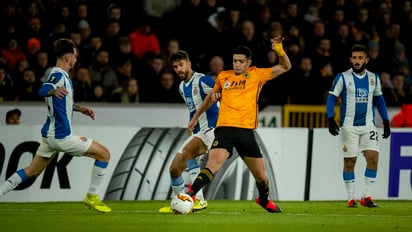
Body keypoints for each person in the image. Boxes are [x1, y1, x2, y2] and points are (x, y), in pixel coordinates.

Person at [0, 38, 112, 213]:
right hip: (62, 137)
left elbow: (61, 102)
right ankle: (92, 196)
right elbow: (43, 90)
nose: (76, 60)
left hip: (49, 137)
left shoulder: (62, 76)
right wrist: (52, 90)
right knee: (104, 154)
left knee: (32, 171)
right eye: (74, 56)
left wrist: (79, 108)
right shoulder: (58, 74)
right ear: (68, 58)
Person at [186, 35, 292, 213]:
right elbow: (211, 98)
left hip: (246, 132)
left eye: (241, 62)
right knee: (212, 164)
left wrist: (280, 50)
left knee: (261, 177)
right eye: (235, 61)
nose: (237, 64)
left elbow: (286, 66)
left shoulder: (257, 74)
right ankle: (190, 195)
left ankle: (264, 200)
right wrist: (196, 115)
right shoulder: (223, 76)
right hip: (225, 129)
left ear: (248, 62)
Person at [326, 44, 391, 208]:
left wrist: (386, 121)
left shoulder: (373, 78)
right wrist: (330, 118)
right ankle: (351, 198)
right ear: (350, 59)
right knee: (350, 162)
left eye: (360, 58)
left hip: (369, 125)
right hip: (349, 127)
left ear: (366, 60)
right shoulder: (342, 77)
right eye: (354, 58)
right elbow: (331, 98)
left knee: (373, 158)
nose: (357, 61)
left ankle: (367, 196)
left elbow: (379, 100)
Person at [159, 50, 219, 213]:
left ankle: (199, 200)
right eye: (175, 67)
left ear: (189, 64)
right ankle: (178, 203)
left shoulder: (203, 80)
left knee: (187, 153)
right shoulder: (181, 87)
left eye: (181, 65)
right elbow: (194, 109)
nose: (178, 69)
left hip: (212, 129)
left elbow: (219, 95)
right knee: (174, 169)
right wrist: (193, 125)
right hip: (199, 131)